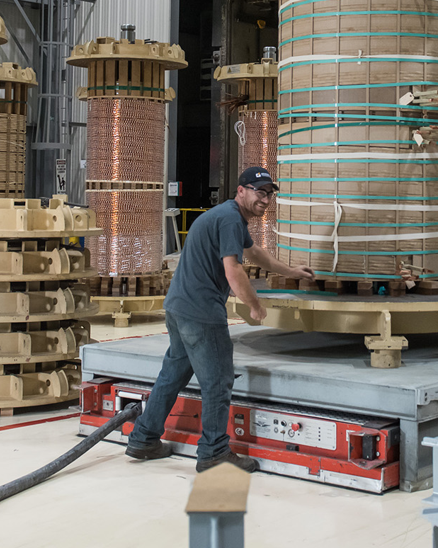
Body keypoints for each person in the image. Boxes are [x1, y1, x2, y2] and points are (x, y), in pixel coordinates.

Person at [124, 166, 314, 473]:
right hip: (201, 313)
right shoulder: (229, 219)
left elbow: (255, 255)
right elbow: (234, 270)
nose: (265, 200)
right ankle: (214, 452)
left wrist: (291, 272)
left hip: (178, 307)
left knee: (172, 375)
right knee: (218, 383)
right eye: (258, 192)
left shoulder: (229, 217)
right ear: (241, 191)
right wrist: (255, 305)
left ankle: (144, 438)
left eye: (269, 194)